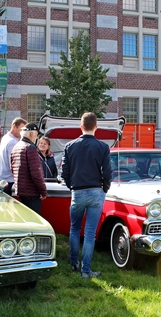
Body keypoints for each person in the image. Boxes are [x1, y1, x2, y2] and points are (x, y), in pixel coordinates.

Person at [61, 112, 112, 279]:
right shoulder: (103, 147)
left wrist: (72, 186)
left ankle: (74, 263)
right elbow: (107, 172)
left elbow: (65, 172)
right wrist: (104, 188)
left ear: (81, 126)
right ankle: (86, 270)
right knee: (90, 232)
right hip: (96, 190)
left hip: (77, 190)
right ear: (96, 127)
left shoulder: (70, 146)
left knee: (74, 228)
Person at [10, 122, 47, 214]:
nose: (37, 138)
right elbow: (36, 173)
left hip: (20, 191)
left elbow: (12, 167)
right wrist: (43, 191)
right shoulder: (30, 148)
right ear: (31, 134)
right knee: (33, 221)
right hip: (32, 192)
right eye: (37, 135)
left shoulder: (16, 146)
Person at [0, 117, 28, 195]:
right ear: (14, 126)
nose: (22, 132)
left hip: (2, 178)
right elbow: (14, 164)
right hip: (10, 180)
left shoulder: (5, 138)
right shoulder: (13, 142)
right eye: (21, 129)